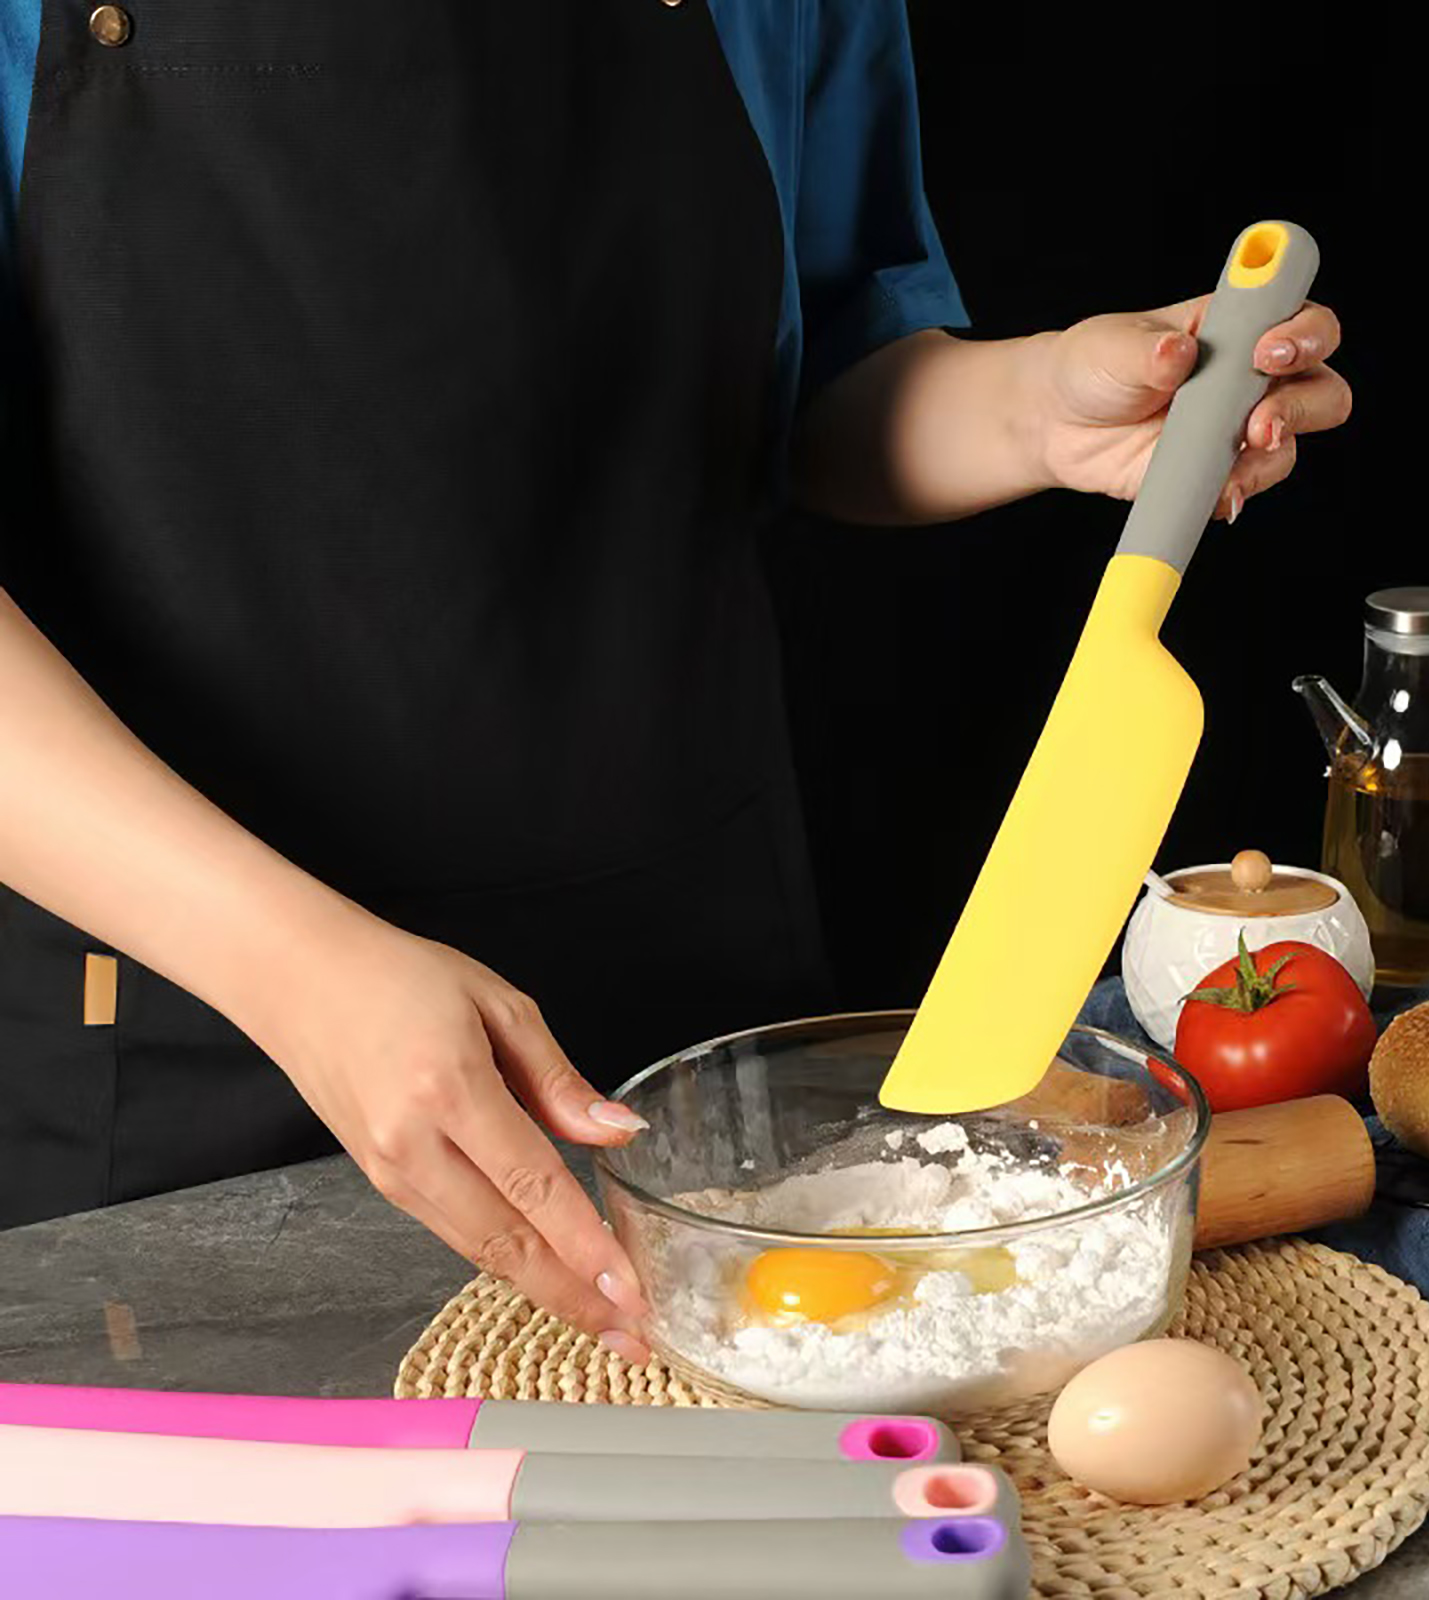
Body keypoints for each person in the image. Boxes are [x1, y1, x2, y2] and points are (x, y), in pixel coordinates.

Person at [0, 2, 1350, 1359]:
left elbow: (818, 376)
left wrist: (1038, 411)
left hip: (698, 1015)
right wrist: (298, 969)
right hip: (188, 1015)